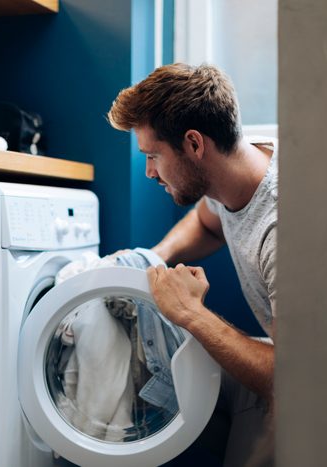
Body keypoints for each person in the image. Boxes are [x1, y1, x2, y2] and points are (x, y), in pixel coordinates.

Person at [107, 63, 277, 467]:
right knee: (173, 386)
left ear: (194, 144)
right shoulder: (241, 157)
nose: (149, 171)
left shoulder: (283, 228)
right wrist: (155, 257)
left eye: (153, 155)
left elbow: (296, 377)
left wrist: (190, 314)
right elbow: (208, 222)